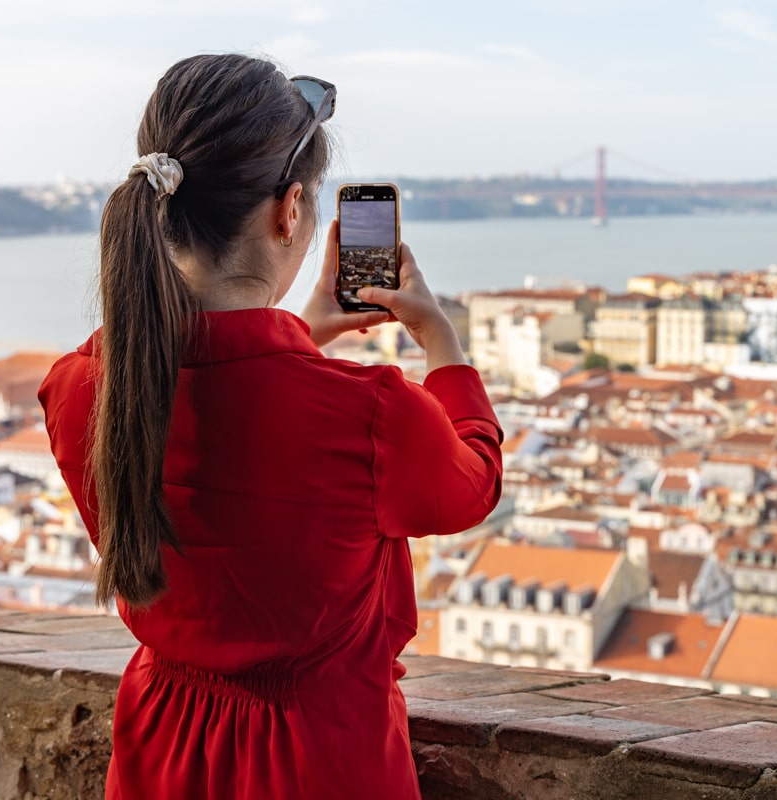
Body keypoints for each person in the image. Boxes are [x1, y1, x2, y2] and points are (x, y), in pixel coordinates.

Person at [38, 54, 503, 799]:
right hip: (321, 761)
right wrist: (442, 341)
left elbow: (214, 406)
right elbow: (474, 483)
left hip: (161, 752)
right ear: (290, 213)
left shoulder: (80, 390)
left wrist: (295, 334)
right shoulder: (374, 414)